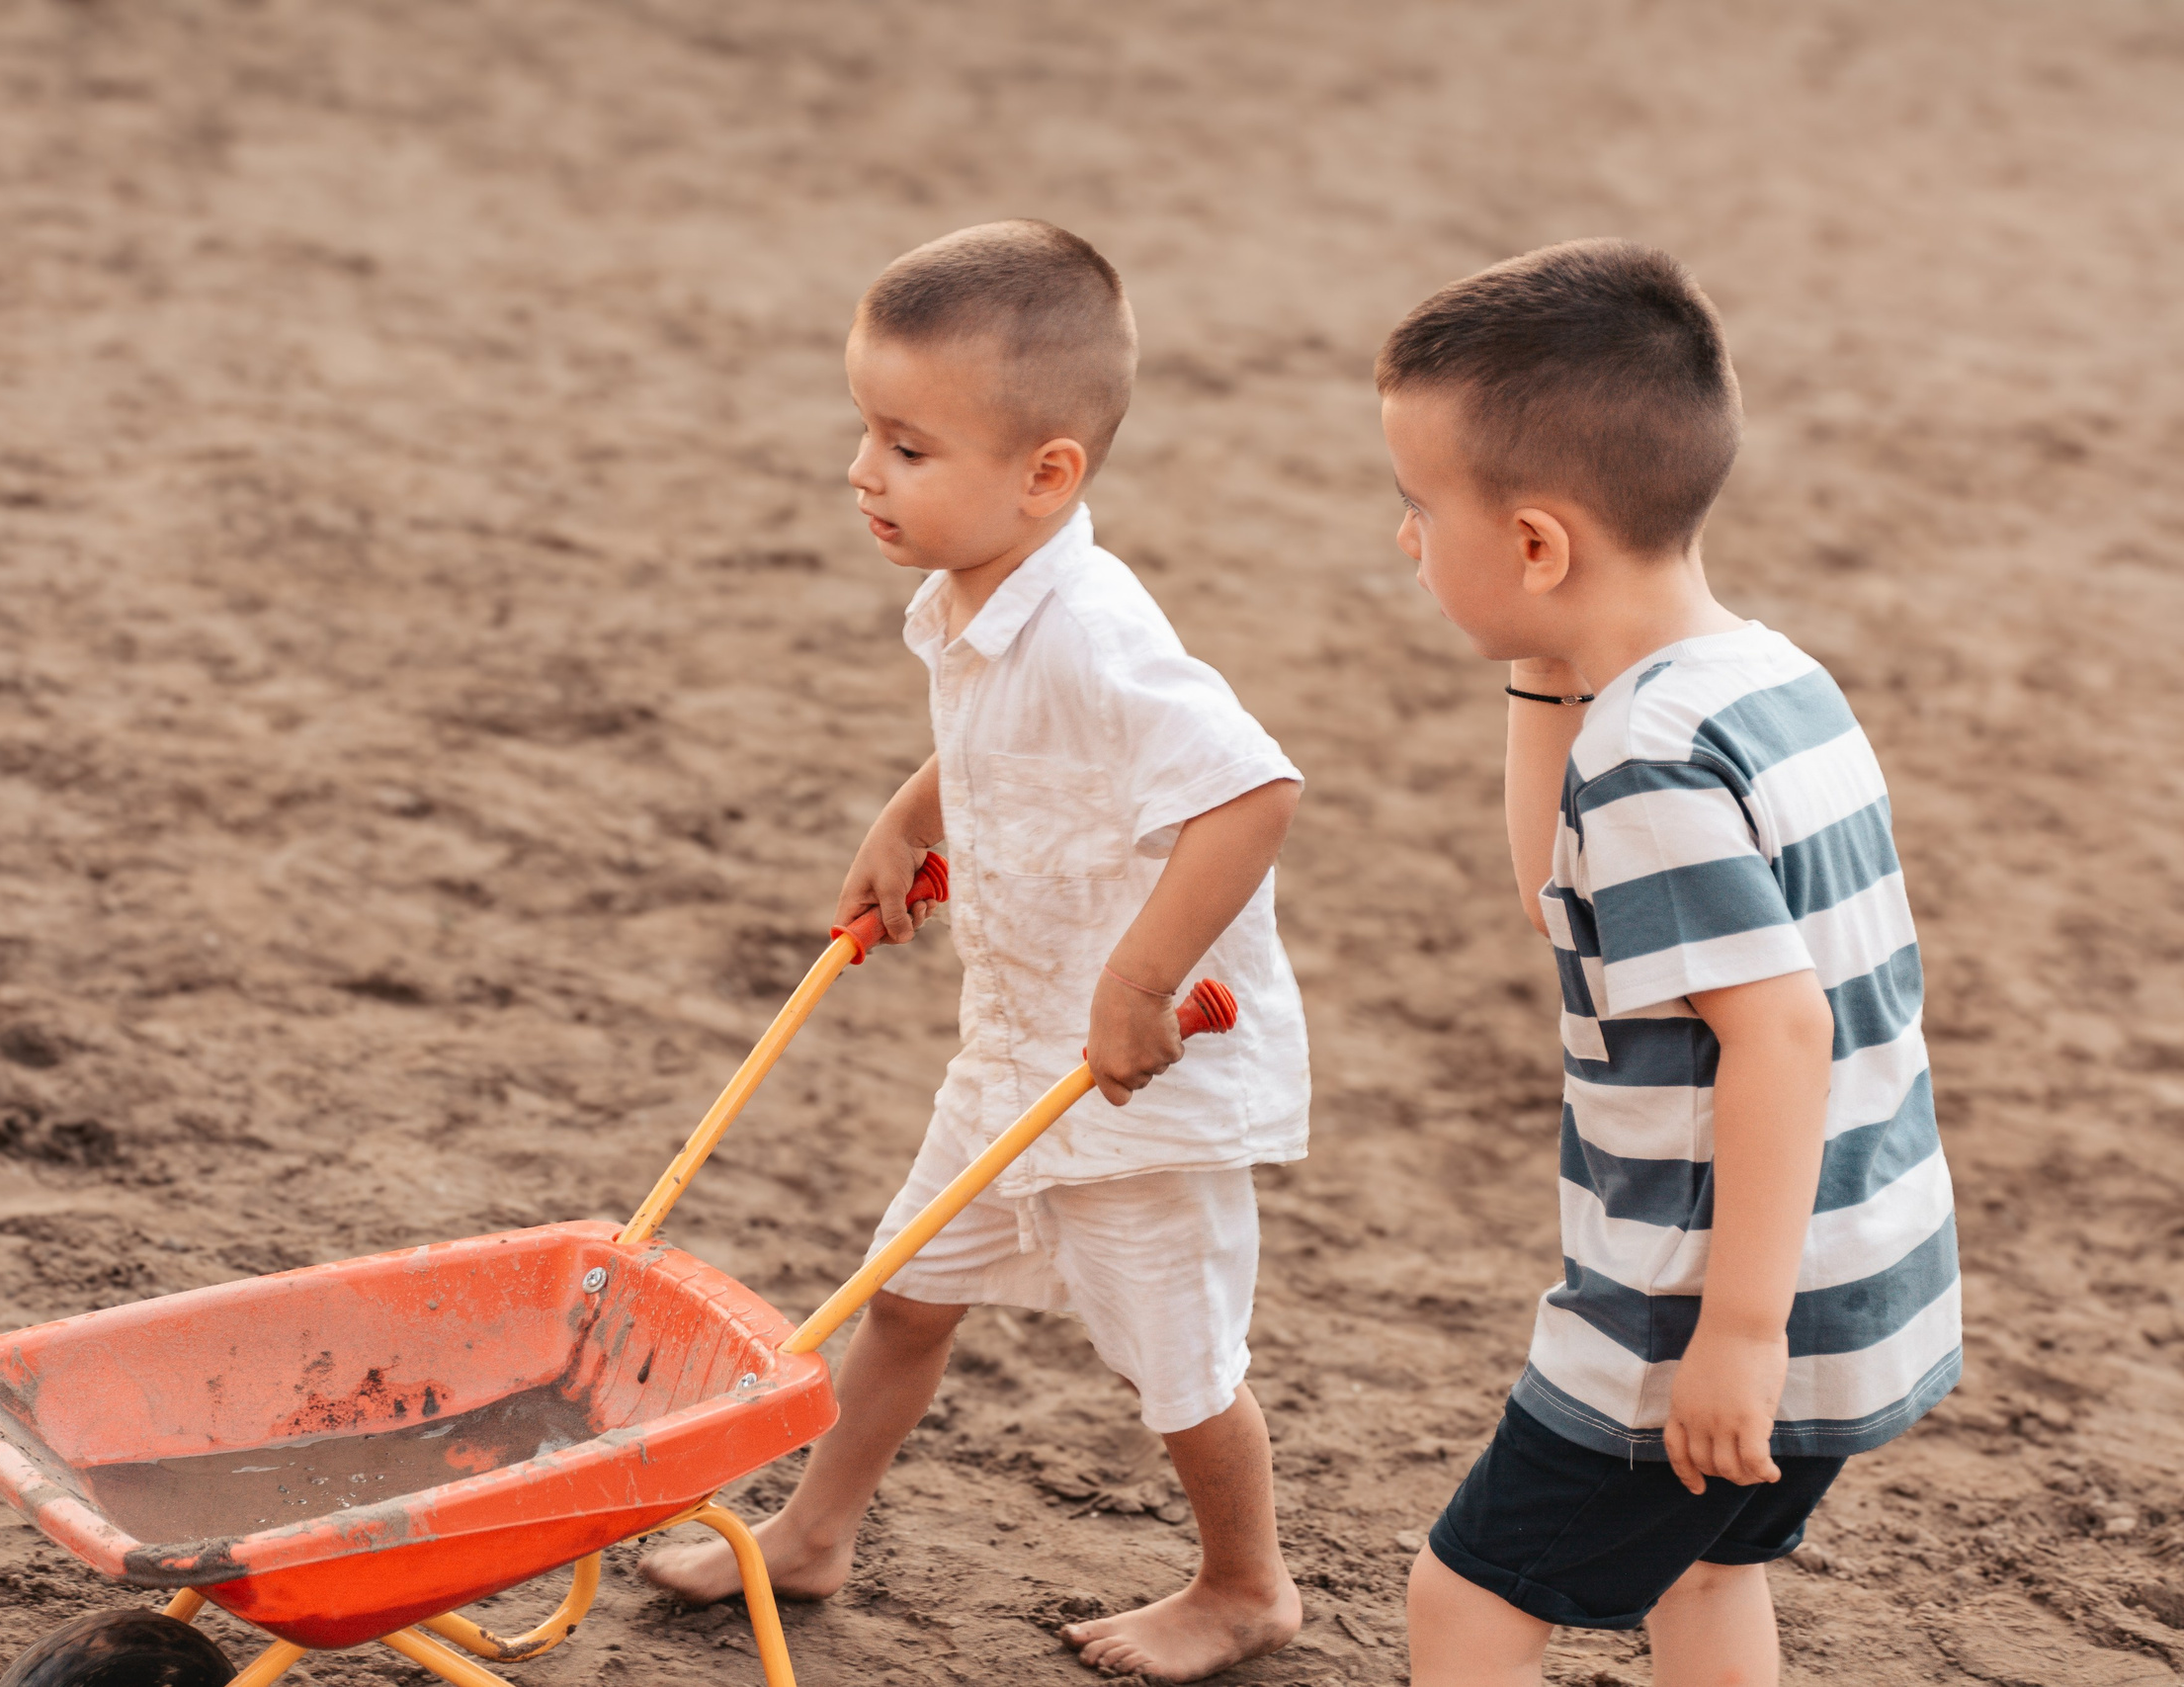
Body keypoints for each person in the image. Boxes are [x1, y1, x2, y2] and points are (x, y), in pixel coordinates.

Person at [640, 219, 1310, 1682]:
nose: (863, 473)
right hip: (1015, 1040)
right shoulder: (972, 597)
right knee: (909, 1294)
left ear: (1047, 474)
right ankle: (815, 1534)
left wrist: (1138, 984)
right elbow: (985, 741)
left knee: (1178, 1363)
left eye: (907, 447)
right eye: (865, 433)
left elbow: (1252, 794)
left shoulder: (1095, 633)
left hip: (1140, 1073)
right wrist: (907, 818)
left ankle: (1246, 1587)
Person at [1378, 240, 1960, 1684]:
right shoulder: (1762, 678)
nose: (1405, 540)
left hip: (1697, 1302)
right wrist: (1539, 665)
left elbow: (1779, 1037)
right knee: (1702, 1575)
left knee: (1465, 1603)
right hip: (1861, 1272)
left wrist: (1734, 1337)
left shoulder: (1649, 758)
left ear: (1534, 544)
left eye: (1416, 508)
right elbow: (1550, 895)